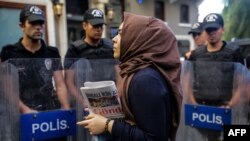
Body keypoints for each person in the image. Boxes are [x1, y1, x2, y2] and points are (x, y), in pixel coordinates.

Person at [77, 12, 182, 141]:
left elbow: (152, 138)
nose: (114, 39)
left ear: (137, 39)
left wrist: (107, 125)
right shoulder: (134, 70)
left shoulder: (145, 80)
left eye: (121, 33)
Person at [0, 4, 70, 115]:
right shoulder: (9, 52)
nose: (38, 27)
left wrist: (66, 110)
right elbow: (7, 89)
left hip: (49, 110)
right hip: (20, 113)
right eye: (33, 23)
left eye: (41, 23)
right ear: (22, 26)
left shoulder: (52, 52)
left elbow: (60, 85)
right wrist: (24, 109)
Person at [187, 13, 245, 141]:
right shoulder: (196, 54)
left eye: (215, 29)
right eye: (208, 30)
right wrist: (192, 102)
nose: (211, 33)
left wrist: (231, 105)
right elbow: (187, 80)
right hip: (201, 109)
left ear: (222, 30)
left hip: (227, 109)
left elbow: (242, 83)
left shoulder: (234, 52)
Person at [64, 8, 114, 106]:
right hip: (84, 101)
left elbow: (119, 75)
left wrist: (117, 96)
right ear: (84, 25)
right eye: (95, 25)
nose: (98, 29)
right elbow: (69, 82)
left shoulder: (110, 47)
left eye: (100, 26)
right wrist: (83, 101)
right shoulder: (75, 49)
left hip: (110, 99)